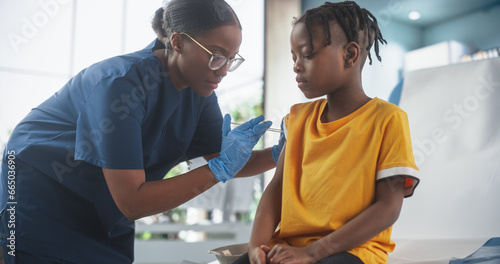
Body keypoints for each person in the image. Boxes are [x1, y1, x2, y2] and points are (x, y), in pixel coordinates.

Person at [0, 0, 283, 263]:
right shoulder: (120, 86)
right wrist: (218, 170)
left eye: (232, 59)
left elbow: (224, 158)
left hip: (105, 203)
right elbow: (133, 202)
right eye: (216, 56)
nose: (223, 71)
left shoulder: (200, 91)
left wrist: (279, 152)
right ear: (178, 41)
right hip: (41, 187)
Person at [235, 2, 420, 264]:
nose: (297, 66)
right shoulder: (298, 119)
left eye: (307, 54)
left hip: (351, 251)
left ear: (350, 55)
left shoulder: (388, 120)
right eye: (294, 57)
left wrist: (314, 252)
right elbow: (276, 189)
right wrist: (257, 246)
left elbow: (388, 209)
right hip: (288, 247)